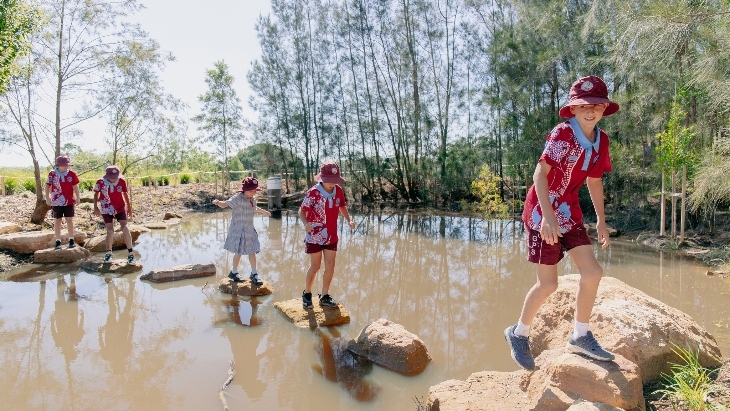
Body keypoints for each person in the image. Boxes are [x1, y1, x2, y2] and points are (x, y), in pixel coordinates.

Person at [504, 75, 619, 370]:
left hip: (569, 212)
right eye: (583, 105)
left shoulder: (601, 140)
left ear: (604, 108)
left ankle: (580, 335)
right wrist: (548, 217)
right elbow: (539, 175)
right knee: (548, 284)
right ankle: (518, 333)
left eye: (595, 105)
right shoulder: (562, 134)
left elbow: (594, 181)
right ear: (573, 109)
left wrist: (601, 221)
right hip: (542, 212)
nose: (589, 110)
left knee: (593, 272)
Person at [299, 162, 356, 309]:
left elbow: (342, 206)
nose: (332, 183)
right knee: (315, 266)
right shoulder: (313, 192)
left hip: (331, 235)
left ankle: (324, 296)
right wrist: (306, 223)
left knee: (330, 266)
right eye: (329, 180)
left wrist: (349, 220)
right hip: (315, 236)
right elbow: (301, 211)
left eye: (335, 180)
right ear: (322, 178)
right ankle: (307, 293)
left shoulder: (338, 190)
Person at [213, 177, 272, 285]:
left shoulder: (252, 199)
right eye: (251, 191)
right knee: (238, 252)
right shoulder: (237, 199)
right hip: (238, 230)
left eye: (255, 191)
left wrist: (264, 212)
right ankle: (233, 271)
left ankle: (254, 273)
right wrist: (218, 203)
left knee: (252, 251)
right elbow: (225, 204)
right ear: (244, 190)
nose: (253, 193)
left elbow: (255, 208)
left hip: (249, 229)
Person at [93, 165, 134, 263]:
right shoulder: (100, 182)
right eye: (111, 176)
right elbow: (95, 194)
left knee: (124, 227)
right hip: (106, 208)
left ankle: (131, 253)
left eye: (115, 176)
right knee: (110, 230)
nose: (113, 178)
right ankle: (108, 253)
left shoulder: (121, 181)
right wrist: (95, 207)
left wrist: (129, 207)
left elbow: (125, 194)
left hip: (120, 207)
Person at [45, 156, 80, 249]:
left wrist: (78, 197)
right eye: (64, 165)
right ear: (58, 165)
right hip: (56, 201)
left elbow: (76, 186)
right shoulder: (52, 174)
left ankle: (71, 239)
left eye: (67, 165)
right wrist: (47, 198)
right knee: (58, 220)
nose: (66, 167)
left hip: (69, 201)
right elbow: (47, 186)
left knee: (69, 219)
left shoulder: (72, 174)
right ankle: (58, 241)